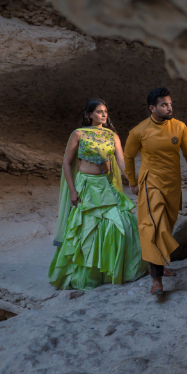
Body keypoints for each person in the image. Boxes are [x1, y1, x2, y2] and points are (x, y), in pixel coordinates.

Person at [48, 99, 147, 290]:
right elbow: (67, 163)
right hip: (87, 186)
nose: (103, 115)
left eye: (105, 111)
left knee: (122, 223)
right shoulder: (78, 134)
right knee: (87, 229)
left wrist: (133, 181)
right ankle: (88, 276)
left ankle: (113, 272)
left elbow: (121, 162)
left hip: (106, 185)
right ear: (89, 115)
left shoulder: (112, 135)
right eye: (99, 111)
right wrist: (72, 190)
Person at [125, 87, 187, 295]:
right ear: (152, 108)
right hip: (151, 184)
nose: (170, 108)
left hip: (173, 185)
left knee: (165, 227)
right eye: (164, 105)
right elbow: (128, 156)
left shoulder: (179, 127)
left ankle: (157, 264)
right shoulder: (139, 131)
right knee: (153, 227)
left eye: (170, 104)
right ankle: (156, 281)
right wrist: (133, 182)